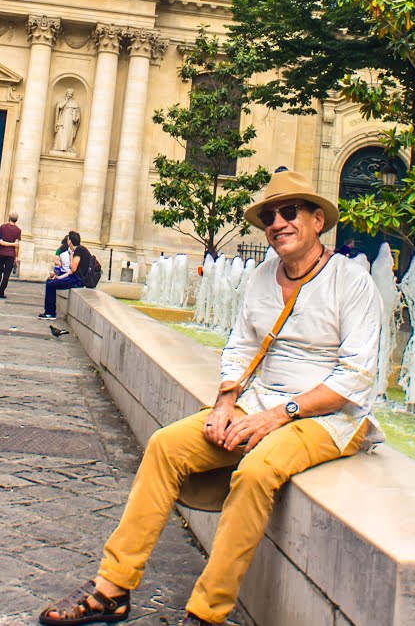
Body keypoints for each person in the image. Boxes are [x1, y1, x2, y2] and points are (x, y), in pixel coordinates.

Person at [39, 170, 382, 626]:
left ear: (318, 220)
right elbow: (241, 345)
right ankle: (112, 589)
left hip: (328, 418)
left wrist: (278, 416)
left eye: (288, 212)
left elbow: (356, 377)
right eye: (268, 216)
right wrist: (225, 402)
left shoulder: (353, 281)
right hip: (259, 402)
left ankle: (207, 613)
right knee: (165, 445)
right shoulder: (262, 275)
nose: (277, 223)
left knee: (257, 472)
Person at [39, 231, 88, 320]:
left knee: (50, 285)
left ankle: (50, 313)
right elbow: (71, 271)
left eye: (68, 239)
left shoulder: (78, 250)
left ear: (70, 241)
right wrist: (59, 277)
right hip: (75, 278)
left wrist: (71, 255)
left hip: (78, 280)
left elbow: (73, 269)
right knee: (51, 281)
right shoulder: (78, 249)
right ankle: (50, 312)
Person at [0, 212, 21, 298]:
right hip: (11, 254)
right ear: (16, 220)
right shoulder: (18, 230)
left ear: (9, 218)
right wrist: (16, 257)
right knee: (7, 273)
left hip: (1, 252)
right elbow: (17, 245)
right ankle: (1, 292)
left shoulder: (3, 227)